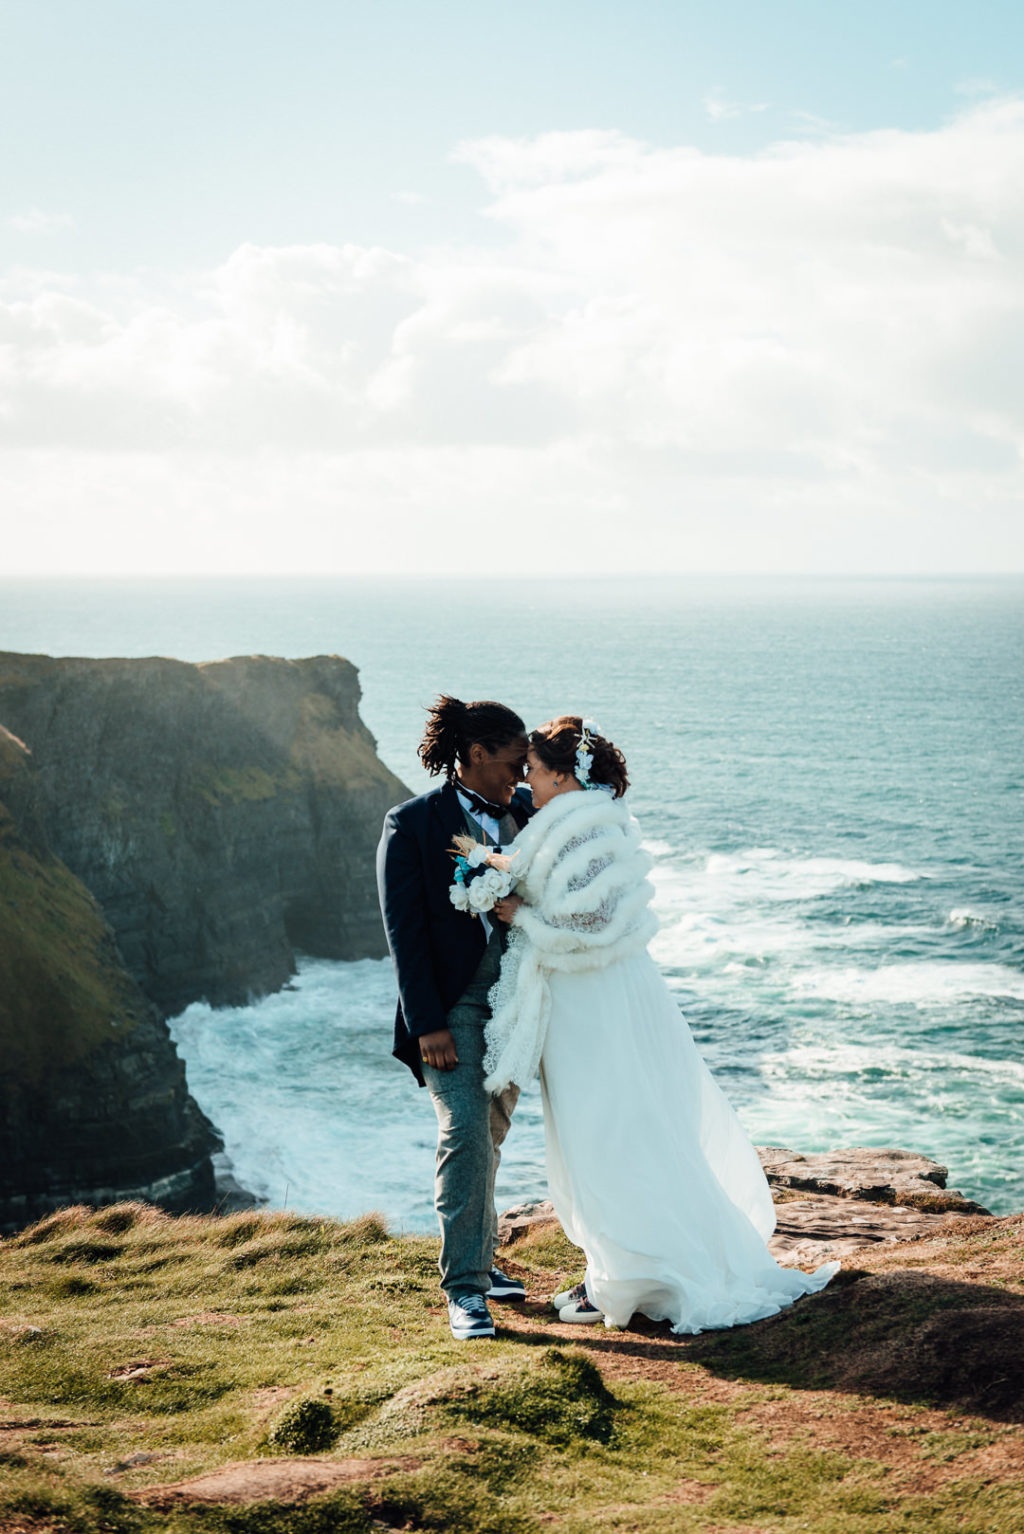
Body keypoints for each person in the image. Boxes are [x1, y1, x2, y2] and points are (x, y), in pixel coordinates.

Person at [487, 716, 839, 1333]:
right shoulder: (580, 819)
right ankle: (619, 1265)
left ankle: (635, 1276)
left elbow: (594, 926)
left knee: (608, 1133)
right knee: (611, 1128)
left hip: (592, 1002)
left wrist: (519, 916)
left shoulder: (583, 829)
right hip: (594, 997)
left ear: (565, 774)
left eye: (535, 771)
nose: (525, 782)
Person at [376, 695, 535, 1341]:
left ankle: (482, 1258)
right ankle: (464, 1292)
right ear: (474, 754)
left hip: (520, 1005)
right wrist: (426, 1024)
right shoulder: (413, 823)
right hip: (454, 1009)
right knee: (466, 1132)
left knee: (489, 1136)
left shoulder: (529, 813)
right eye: (513, 761)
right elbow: (403, 931)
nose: (521, 775)